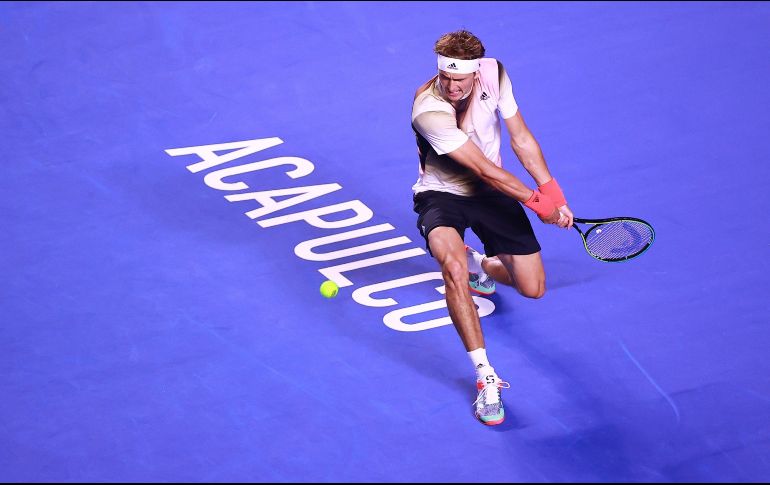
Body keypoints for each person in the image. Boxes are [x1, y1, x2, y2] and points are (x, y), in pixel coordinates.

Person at [411, 30, 574, 426]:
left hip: (493, 195)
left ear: (474, 72)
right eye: (444, 78)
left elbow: (520, 137)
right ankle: (486, 376)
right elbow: (484, 168)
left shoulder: (495, 73)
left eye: (458, 80)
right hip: (442, 195)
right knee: (450, 265)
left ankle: (480, 266)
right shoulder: (428, 110)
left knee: (532, 288)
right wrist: (538, 204)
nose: (450, 86)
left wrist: (554, 192)